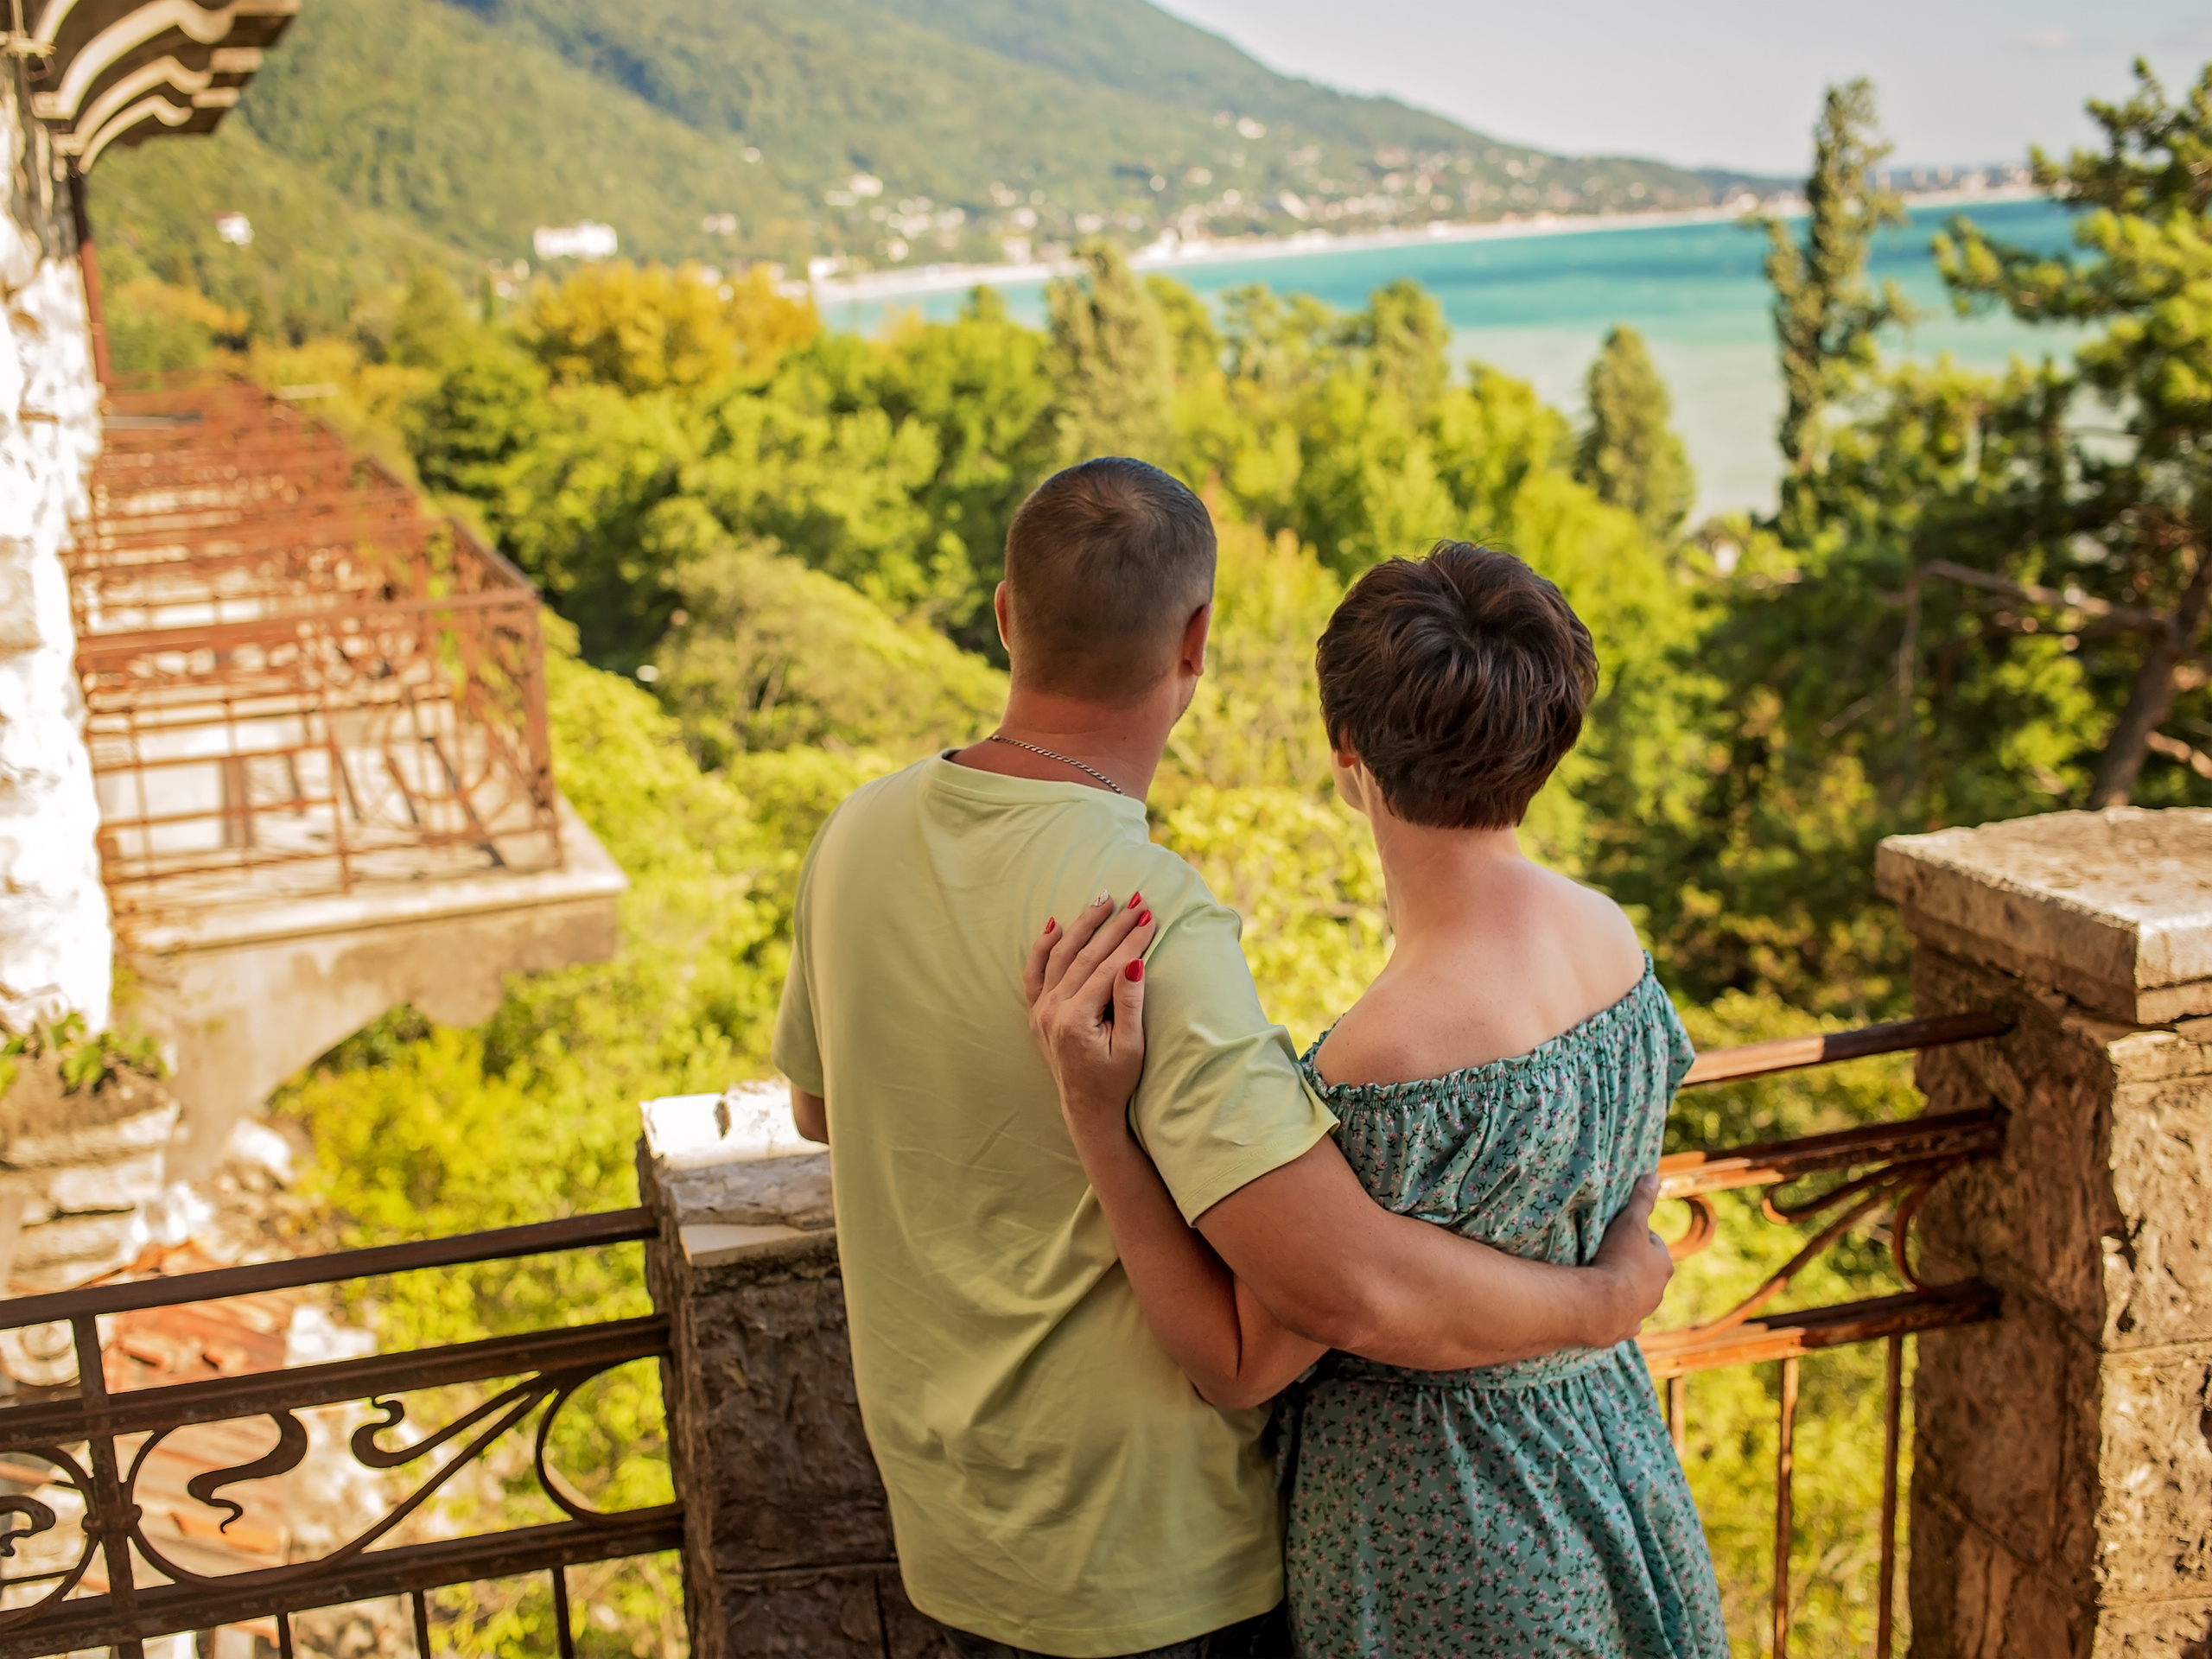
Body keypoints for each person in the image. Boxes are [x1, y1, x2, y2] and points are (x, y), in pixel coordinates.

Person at [772, 462, 1676, 1659]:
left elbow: (821, 1109)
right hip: (1151, 1544)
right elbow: (1321, 1300)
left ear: (1004, 615)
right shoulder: (1144, 915)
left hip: (957, 1524)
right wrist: (1604, 1301)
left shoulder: (853, 833)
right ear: (1195, 642)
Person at [1026, 541, 1728, 1657]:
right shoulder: (1611, 939)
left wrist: (1097, 1118)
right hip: (1609, 1452)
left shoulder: (1389, 1057)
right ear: (1549, 736)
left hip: (1449, 1524)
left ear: (1346, 746)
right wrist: (1601, 1306)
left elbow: (1240, 1360)